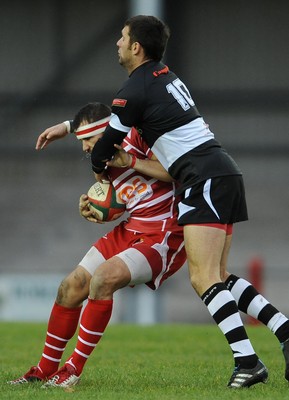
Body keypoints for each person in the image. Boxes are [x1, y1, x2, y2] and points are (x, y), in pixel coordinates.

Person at [84, 15, 289, 388]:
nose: (117, 42)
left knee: (202, 278)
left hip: (202, 178)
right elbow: (122, 123)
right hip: (222, 171)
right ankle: (285, 332)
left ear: (136, 47)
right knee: (220, 276)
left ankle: (248, 362)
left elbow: (104, 142)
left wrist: (98, 169)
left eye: (122, 36)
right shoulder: (164, 76)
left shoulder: (135, 88)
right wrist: (74, 128)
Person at [8, 102, 187, 387]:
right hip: (130, 228)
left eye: (87, 140)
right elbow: (115, 198)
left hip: (163, 232)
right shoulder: (99, 159)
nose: (84, 148)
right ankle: (43, 369)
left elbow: (175, 170)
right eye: (81, 142)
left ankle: (72, 371)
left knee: (104, 278)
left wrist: (129, 161)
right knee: (70, 287)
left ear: (104, 133)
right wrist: (94, 208)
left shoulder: (140, 136)